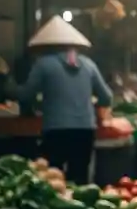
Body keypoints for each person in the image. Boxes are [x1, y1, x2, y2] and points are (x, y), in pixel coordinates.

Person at [15, 15, 113, 185]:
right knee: (80, 180)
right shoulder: (88, 64)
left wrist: (9, 87)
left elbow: (26, 95)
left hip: (56, 130)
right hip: (85, 130)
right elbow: (107, 97)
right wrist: (87, 107)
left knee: (53, 180)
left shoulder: (43, 64)